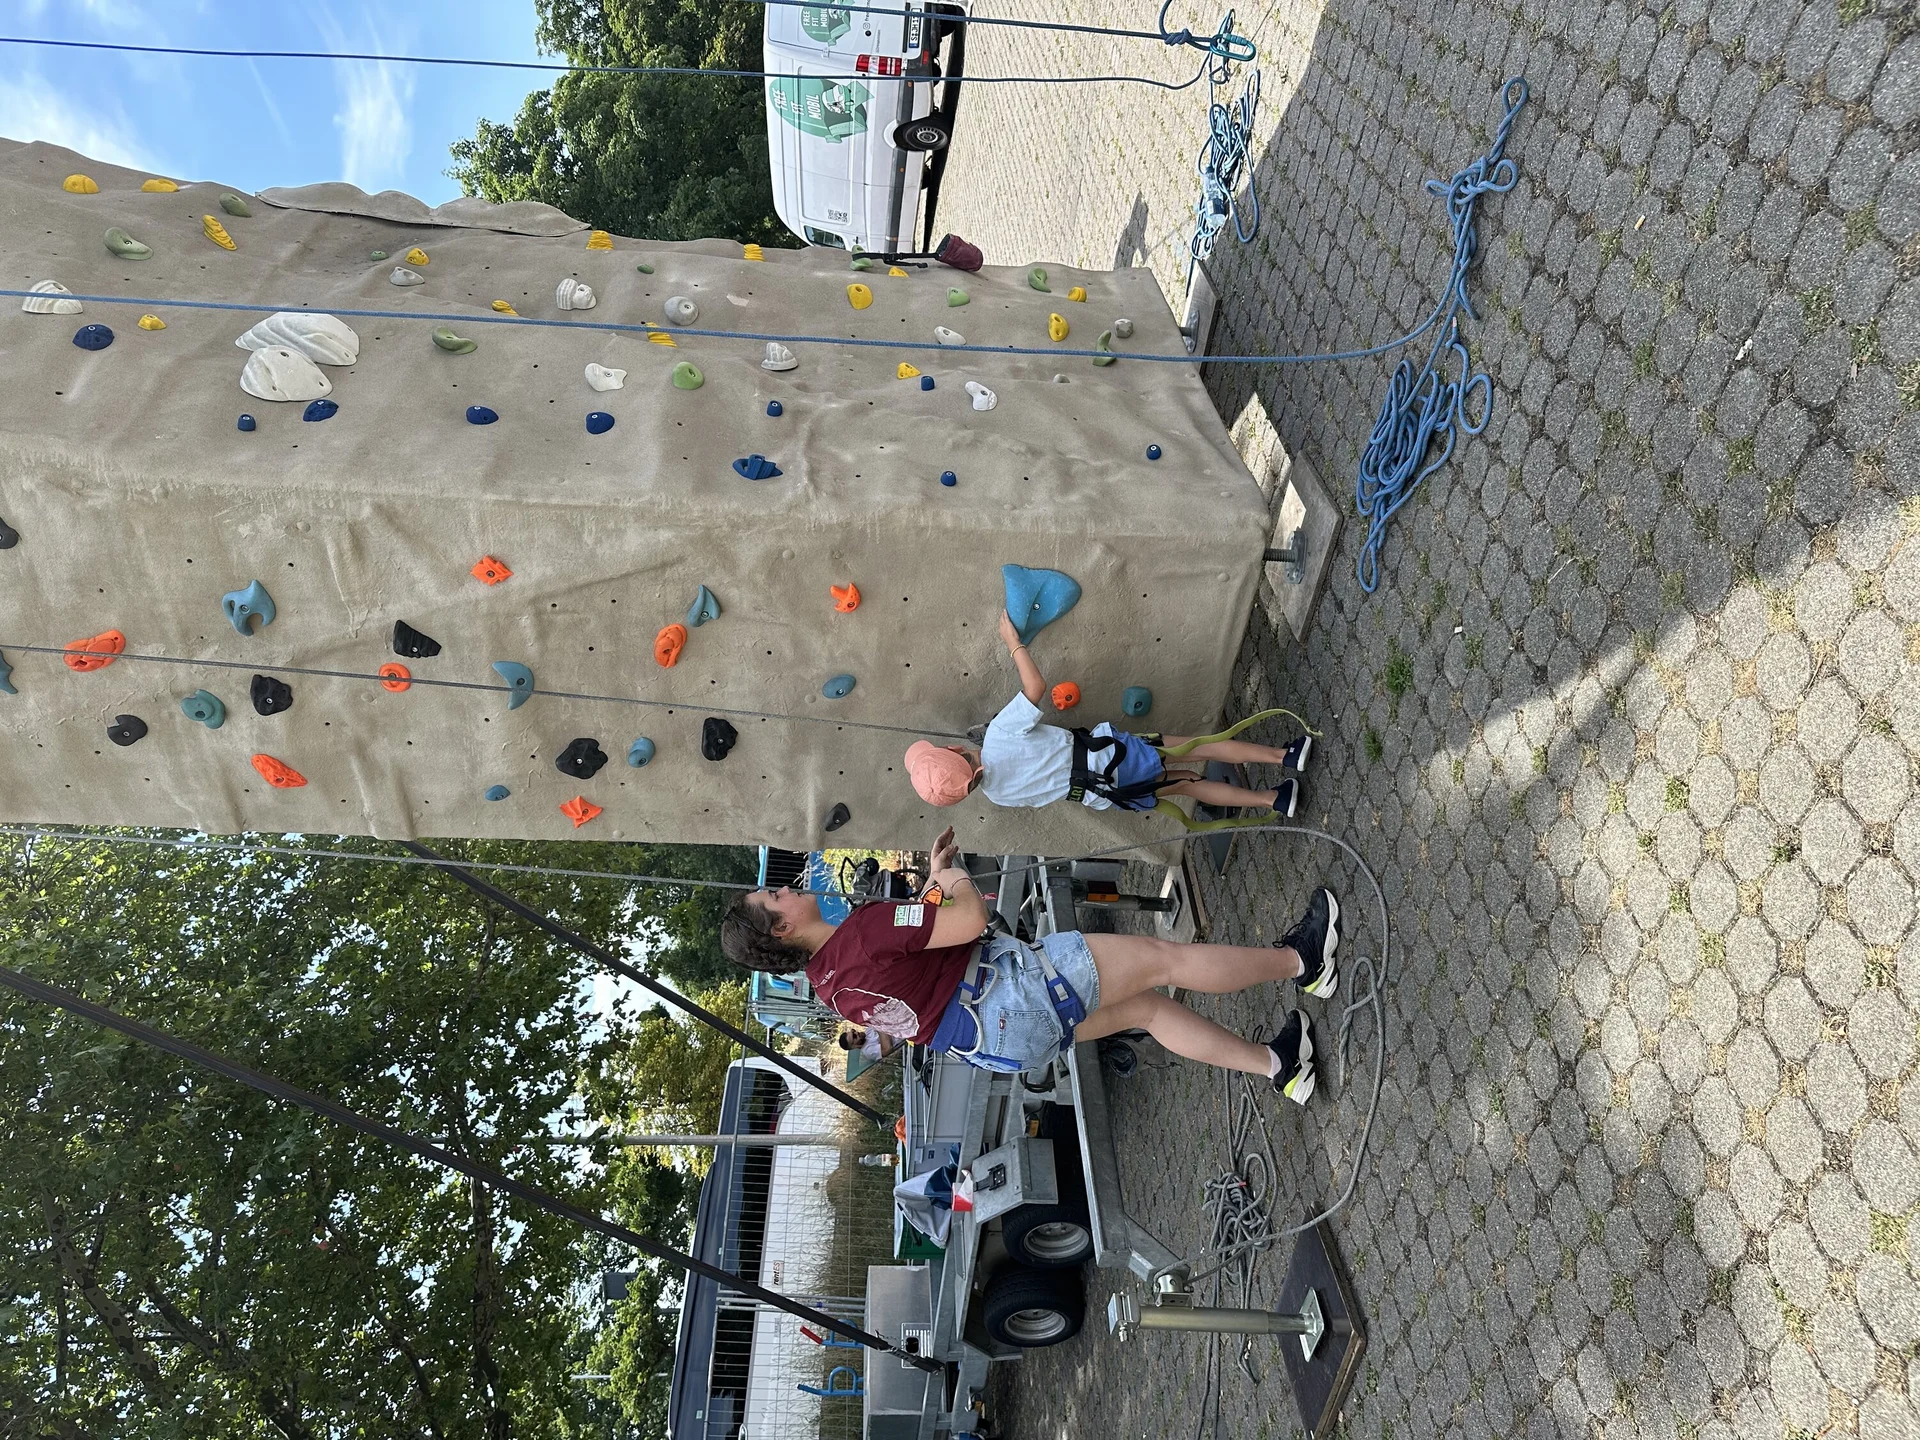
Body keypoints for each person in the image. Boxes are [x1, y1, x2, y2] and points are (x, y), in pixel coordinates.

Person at [719, 825, 1344, 1101]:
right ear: (782, 927)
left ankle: (1280, 1066)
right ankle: (1304, 961)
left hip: (998, 1041)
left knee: (1150, 1011)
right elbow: (967, 920)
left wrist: (932, 881)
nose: (787, 888)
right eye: (775, 896)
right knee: (1164, 960)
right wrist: (955, 878)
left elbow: (917, 951)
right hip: (1016, 989)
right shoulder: (860, 931)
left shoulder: (830, 985)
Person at [903, 610, 1311, 818]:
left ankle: (1273, 800)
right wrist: (1012, 642)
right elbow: (1036, 688)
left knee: (1189, 784)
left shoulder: (997, 795)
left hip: (1106, 793)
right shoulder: (996, 737)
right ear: (952, 748)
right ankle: (1286, 757)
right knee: (1198, 747)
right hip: (1110, 755)